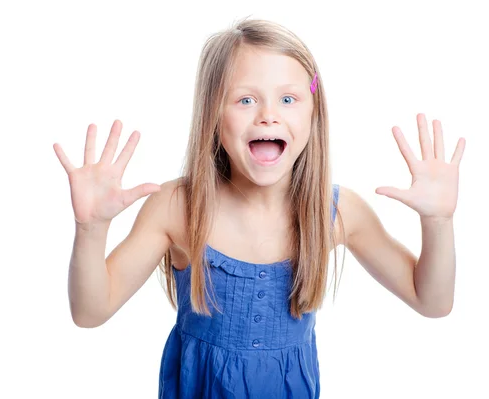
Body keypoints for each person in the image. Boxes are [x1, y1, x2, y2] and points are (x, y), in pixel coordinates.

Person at [53, 18, 465, 399]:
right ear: (213, 114)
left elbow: (432, 301)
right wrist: (91, 229)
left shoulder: (336, 212)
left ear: (313, 114)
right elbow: (90, 313)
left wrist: (439, 221)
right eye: (246, 100)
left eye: (288, 99)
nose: (269, 116)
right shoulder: (177, 208)